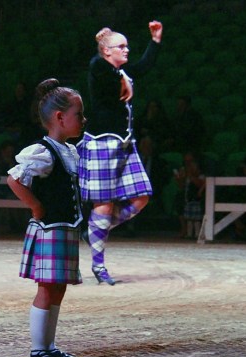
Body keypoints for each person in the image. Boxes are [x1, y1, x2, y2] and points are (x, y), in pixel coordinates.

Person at [7, 79, 85, 357]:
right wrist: (36, 205)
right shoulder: (42, 151)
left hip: (65, 228)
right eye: (79, 114)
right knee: (46, 289)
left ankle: (49, 347)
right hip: (51, 229)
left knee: (58, 289)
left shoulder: (68, 150)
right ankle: (39, 351)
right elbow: (14, 179)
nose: (83, 119)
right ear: (59, 118)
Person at [78, 22, 162, 285]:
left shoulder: (120, 71)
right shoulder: (99, 68)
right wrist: (123, 77)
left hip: (125, 143)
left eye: (127, 46)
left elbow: (144, 66)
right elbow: (98, 67)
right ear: (106, 51)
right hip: (102, 143)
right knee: (104, 205)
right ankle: (98, 266)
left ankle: (93, 230)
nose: (127, 50)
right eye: (121, 47)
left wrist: (155, 41)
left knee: (142, 197)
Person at [174, 152, 205, 239]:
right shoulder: (184, 171)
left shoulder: (200, 174)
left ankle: (198, 234)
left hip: (197, 198)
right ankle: (188, 233)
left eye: (190, 161)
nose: (188, 164)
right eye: (186, 161)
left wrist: (191, 176)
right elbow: (181, 187)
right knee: (189, 218)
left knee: (196, 219)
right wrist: (180, 178)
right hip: (188, 199)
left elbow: (200, 184)